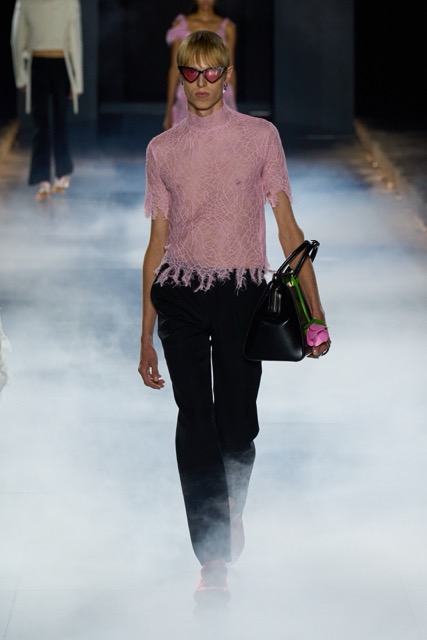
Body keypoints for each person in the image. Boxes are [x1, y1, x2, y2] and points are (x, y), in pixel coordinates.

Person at [138, 30, 331, 604]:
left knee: (238, 426)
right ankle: (213, 557)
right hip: (181, 295)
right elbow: (155, 246)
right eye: (190, 72)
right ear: (179, 76)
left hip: (244, 296)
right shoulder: (162, 150)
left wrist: (316, 314)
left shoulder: (260, 138)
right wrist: (144, 336)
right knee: (195, 421)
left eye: (211, 72)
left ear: (227, 76)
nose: (200, 83)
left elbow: (289, 231)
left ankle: (231, 505)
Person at [10, 0, 83, 201]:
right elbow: (74, 40)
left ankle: (49, 176)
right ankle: (55, 175)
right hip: (51, 64)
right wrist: (76, 82)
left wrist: (21, 76)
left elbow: (17, 39)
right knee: (52, 121)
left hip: (45, 64)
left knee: (46, 122)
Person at [163, 0, 237, 130]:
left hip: (219, 92)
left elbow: (230, 67)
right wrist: (169, 112)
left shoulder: (227, 28)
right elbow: (175, 69)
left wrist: (233, 104)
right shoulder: (181, 26)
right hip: (189, 92)